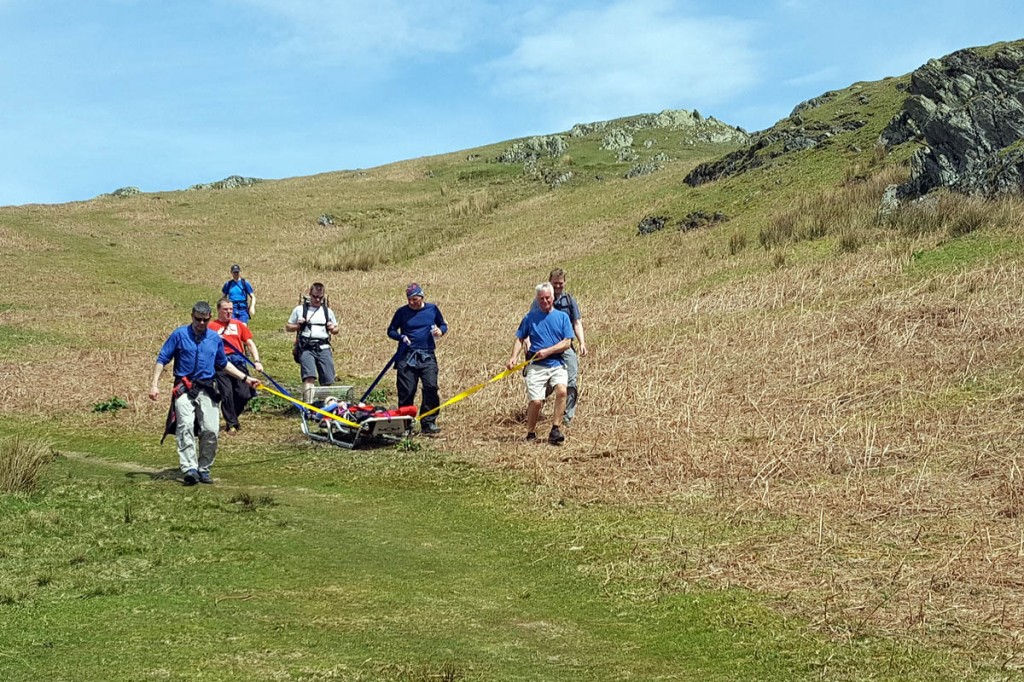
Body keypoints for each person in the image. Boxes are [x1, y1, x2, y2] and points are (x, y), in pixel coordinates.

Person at [149, 301, 259, 486]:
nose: (201, 324)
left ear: (209, 319)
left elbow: (223, 364)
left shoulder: (214, 339)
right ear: (192, 316)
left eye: (205, 320)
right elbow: (162, 359)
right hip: (184, 388)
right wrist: (154, 385)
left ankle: (204, 467)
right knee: (185, 426)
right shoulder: (179, 335)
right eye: (198, 320)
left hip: (207, 388)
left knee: (211, 429)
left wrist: (245, 379)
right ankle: (189, 468)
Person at [508, 283, 574, 445]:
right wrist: (513, 357)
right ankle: (530, 432)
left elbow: (567, 342)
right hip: (536, 366)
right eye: (541, 298)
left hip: (557, 363)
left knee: (562, 391)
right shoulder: (530, 318)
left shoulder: (562, 317)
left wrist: (549, 351)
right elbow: (519, 338)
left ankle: (555, 429)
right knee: (536, 402)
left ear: (553, 298)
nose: (545, 301)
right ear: (537, 300)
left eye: (548, 298)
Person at [387, 283, 448, 434]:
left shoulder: (432, 309)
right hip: (407, 356)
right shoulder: (401, 312)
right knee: (407, 390)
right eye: (409, 300)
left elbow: (443, 325)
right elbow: (391, 330)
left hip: (427, 355)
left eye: (415, 299)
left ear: (422, 297)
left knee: (431, 387)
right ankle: (405, 424)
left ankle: (428, 422)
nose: (412, 302)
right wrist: (401, 337)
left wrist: (440, 331)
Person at [209, 298, 264, 433]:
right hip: (221, 363)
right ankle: (232, 424)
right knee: (227, 393)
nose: (229, 312)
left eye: (231, 309)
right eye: (225, 309)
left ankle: (232, 416)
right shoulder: (211, 327)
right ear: (218, 310)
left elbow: (250, 343)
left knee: (244, 394)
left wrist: (257, 361)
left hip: (239, 361)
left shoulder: (239, 325)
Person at [543, 268, 588, 426]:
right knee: (545, 382)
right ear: (549, 282)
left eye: (560, 284)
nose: (557, 287)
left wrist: (582, 342)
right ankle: (534, 410)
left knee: (571, 381)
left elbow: (577, 323)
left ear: (565, 283)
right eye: (554, 283)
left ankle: (567, 418)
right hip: (547, 348)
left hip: (566, 346)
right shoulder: (542, 301)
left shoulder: (569, 301)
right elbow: (532, 322)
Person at [285, 282, 339, 403]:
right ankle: (308, 406)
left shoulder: (327, 312)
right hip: (306, 347)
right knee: (309, 377)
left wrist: (332, 328)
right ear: (310, 294)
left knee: (327, 379)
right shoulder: (299, 310)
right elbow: (288, 327)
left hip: (323, 347)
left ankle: (325, 406)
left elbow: (336, 330)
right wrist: (298, 325)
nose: (317, 300)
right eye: (315, 297)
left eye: (320, 297)